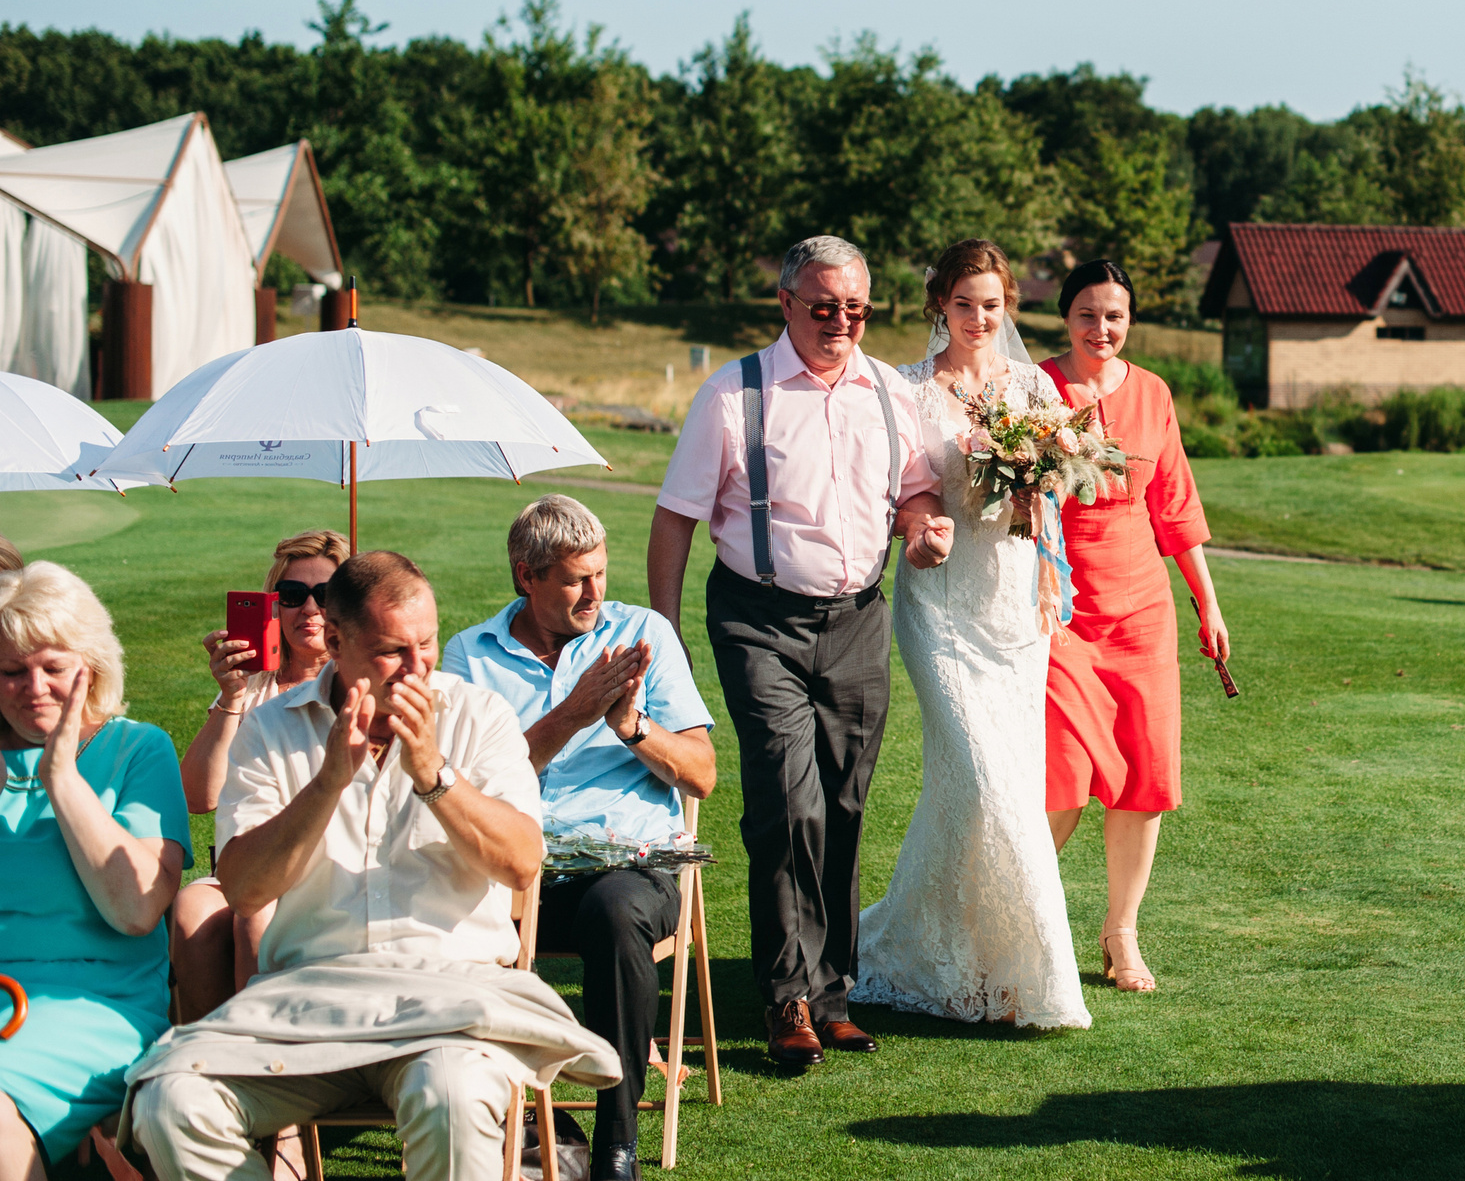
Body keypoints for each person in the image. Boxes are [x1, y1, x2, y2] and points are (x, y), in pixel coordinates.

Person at [130, 551, 615, 1181]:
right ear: (334, 641)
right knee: (172, 1104)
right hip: (304, 1006)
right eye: (393, 651)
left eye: (428, 643)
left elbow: (522, 864)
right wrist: (329, 780)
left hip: (452, 1001)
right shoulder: (273, 727)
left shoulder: (477, 717)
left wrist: (434, 776)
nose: (418, 668)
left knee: (451, 1097)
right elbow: (246, 890)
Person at [647, 233, 957, 1068]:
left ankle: (832, 993)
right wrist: (665, 633)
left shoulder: (890, 392)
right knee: (788, 804)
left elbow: (915, 489)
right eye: (824, 307)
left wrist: (923, 527)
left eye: (857, 308)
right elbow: (676, 514)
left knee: (845, 806)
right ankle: (786, 999)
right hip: (757, 618)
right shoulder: (732, 394)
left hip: (859, 618)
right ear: (785, 304)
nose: (841, 322)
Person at [849, 240, 1092, 1029]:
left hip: (1014, 609)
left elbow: (1052, 491)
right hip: (941, 607)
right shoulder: (909, 388)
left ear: (1008, 305)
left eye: (992, 303)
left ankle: (976, 953)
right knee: (982, 776)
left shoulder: (1031, 386)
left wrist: (1036, 492)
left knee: (987, 787)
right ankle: (1023, 968)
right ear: (938, 305)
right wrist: (917, 528)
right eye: (964, 303)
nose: (979, 317)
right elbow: (890, 487)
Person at [444, 494, 718, 1181]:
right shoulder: (470, 655)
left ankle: (614, 1144)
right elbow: (464, 785)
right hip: (514, 870)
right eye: (573, 578)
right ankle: (505, 1108)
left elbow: (703, 774)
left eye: (600, 573)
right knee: (440, 907)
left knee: (615, 910)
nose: (595, 592)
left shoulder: (640, 634)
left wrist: (632, 727)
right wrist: (573, 713)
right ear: (525, 576)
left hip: (631, 866)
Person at [1041, 257, 1232, 993]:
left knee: (1145, 774)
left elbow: (1175, 504)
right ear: (1066, 317)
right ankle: (1020, 914)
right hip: (1062, 607)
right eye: (1088, 313)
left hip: (1144, 609)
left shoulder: (1153, 392)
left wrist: (1207, 601)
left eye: (1115, 314)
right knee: (1064, 772)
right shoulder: (1039, 390)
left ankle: (1122, 932)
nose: (1102, 328)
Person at [0, 563, 189, 1181]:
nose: (34, 687)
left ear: (91, 666)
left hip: (95, 1006)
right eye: (11, 671)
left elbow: (135, 909)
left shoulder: (136, 749)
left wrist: (60, 776)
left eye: (53, 667)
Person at [169, 529, 349, 1029]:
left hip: (330, 865)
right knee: (191, 910)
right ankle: (199, 1057)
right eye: (292, 596)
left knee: (255, 912)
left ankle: (258, 1072)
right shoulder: (254, 687)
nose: (309, 609)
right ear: (273, 606)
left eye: (326, 594)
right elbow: (198, 797)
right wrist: (229, 696)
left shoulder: (355, 685)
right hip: (244, 862)